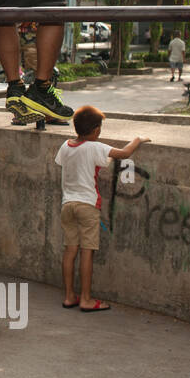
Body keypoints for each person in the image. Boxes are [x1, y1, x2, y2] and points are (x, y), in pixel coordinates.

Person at [56, 105, 148, 312]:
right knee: (87, 252)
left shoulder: (66, 145)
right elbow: (124, 153)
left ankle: (70, 295)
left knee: (70, 251)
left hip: (67, 205)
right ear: (96, 130)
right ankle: (86, 299)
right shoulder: (95, 147)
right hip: (87, 206)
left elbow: (71, 162)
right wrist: (139, 139)